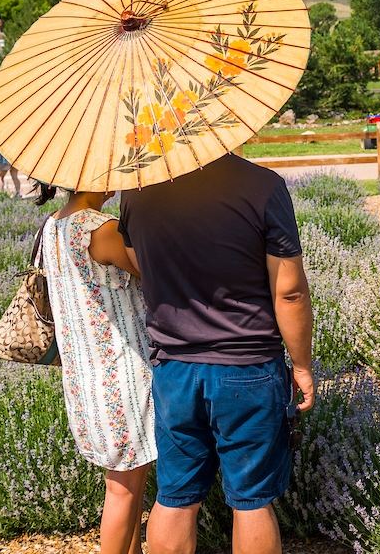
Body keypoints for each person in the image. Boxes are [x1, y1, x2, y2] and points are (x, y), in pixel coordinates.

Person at [117, 154, 314, 554]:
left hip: (174, 369)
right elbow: (289, 292)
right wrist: (303, 365)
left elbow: (140, 263)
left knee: (175, 494)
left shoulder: (137, 191)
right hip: (248, 366)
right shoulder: (263, 186)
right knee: (252, 498)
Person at [35, 181, 155, 554]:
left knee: (129, 483)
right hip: (121, 372)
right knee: (123, 489)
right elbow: (148, 273)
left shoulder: (52, 224)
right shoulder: (99, 229)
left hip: (85, 374)